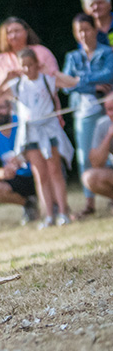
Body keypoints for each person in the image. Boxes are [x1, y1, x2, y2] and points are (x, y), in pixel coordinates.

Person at [0, 48, 77, 228]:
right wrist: (5, 78)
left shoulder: (46, 79)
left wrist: (52, 72)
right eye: (24, 66)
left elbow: (72, 83)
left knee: (55, 171)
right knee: (40, 174)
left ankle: (63, 211)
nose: (28, 69)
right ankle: (49, 216)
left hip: (49, 130)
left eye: (31, 65)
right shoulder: (18, 84)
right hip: (30, 134)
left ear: (37, 64)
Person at [61, 13, 113, 218]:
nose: (83, 34)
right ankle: (89, 203)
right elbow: (65, 88)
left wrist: (78, 81)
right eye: (78, 31)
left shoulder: (107, 53)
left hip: (106, 107)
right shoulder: (72, 57)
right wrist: (92, 86)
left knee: (107, 151)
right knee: (85, 157)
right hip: (83, 113)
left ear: (95, 30)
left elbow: (108, 75)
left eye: (86, 29)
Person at [0, 97, 39, 224]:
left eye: (1, 107)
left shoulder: (23, 122)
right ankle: (29, 204)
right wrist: (3, 173)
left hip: (37, 172)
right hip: (16, 179)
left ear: (9, 108)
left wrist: (23, 158)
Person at [0, 17, 61, 96]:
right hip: (11, 106)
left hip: (45, 104)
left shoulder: (42, 52)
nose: (13, 36)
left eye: (17, 31)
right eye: (9, 32)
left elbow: (58, 80)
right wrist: (6, 80)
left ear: (26, 32)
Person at [82, 93, 113, 199]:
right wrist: (109, 136)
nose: (112, 113)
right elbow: (96, 163)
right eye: (109, 109)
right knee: (89, 177)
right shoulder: (103, 125)